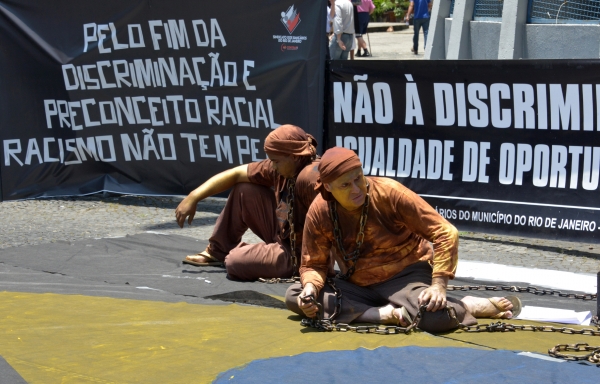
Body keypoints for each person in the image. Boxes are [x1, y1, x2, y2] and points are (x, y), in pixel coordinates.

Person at [285, 147, 521, 333]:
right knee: (295, 296)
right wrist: (309, 289)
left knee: (434, 316)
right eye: (345, 185)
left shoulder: (389, 193)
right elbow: (314, 264)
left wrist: (439, 285)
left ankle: (468, 305)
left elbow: (445, 232)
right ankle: (380, 314)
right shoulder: (320, 210)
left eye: (358, 178)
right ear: (328, 187)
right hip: (357, 285)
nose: (356, 188)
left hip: (405, 276)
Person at [175, 125, 320, 281]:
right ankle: (218, 252)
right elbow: (237, 174)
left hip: (300, 256)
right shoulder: (284, 165)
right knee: (245, 189)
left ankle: (271, 261)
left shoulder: (313, 178)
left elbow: (336, 220)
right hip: (283, 235)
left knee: (234, 261)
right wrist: (193, 196)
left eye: (276, 161)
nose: (273, 166)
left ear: (295, 156)